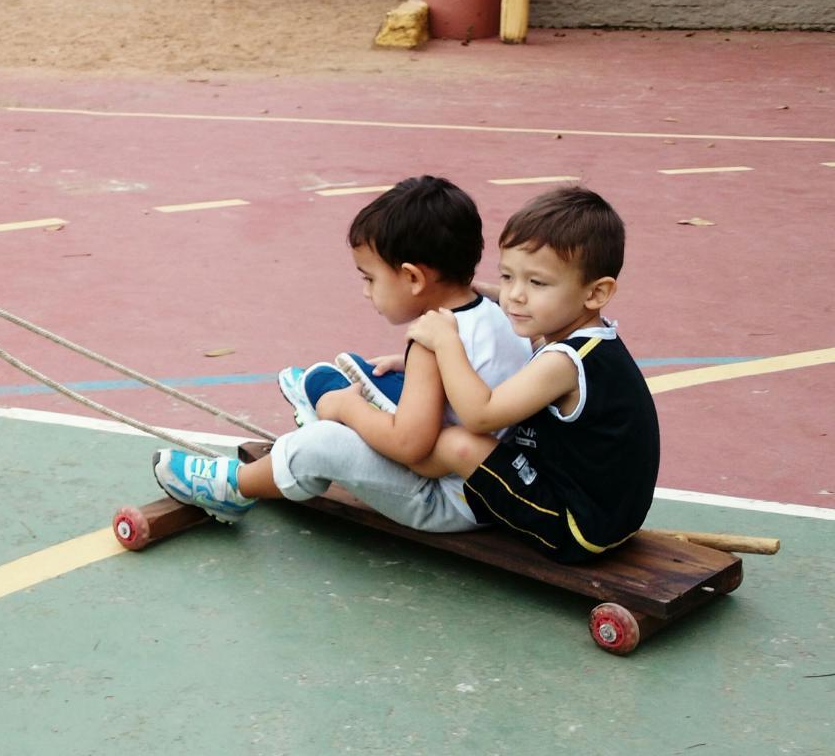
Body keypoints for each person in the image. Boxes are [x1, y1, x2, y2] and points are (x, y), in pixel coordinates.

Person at [153, 175, 532, 532]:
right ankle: (328, 397)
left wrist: (346, 409)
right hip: (497, 485)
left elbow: (409, 445)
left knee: (322, 444)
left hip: (447, 501)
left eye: (370, 278)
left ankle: (234, 487)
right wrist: (406, 366)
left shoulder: (430, 341)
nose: (367, 291)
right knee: (378, 377)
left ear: (413, 278)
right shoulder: (500, 309)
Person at [406, 186, 659, 563]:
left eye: (536, 283)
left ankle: (402, 468)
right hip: (605, 517)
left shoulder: (563, 362)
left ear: (596, 293)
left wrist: (446, 343)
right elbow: (515, 300)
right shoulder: (587, 338)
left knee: (457, 443)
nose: (515, 296)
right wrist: (485, 293)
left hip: (574, 529)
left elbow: (481, 414)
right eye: (508, 276)